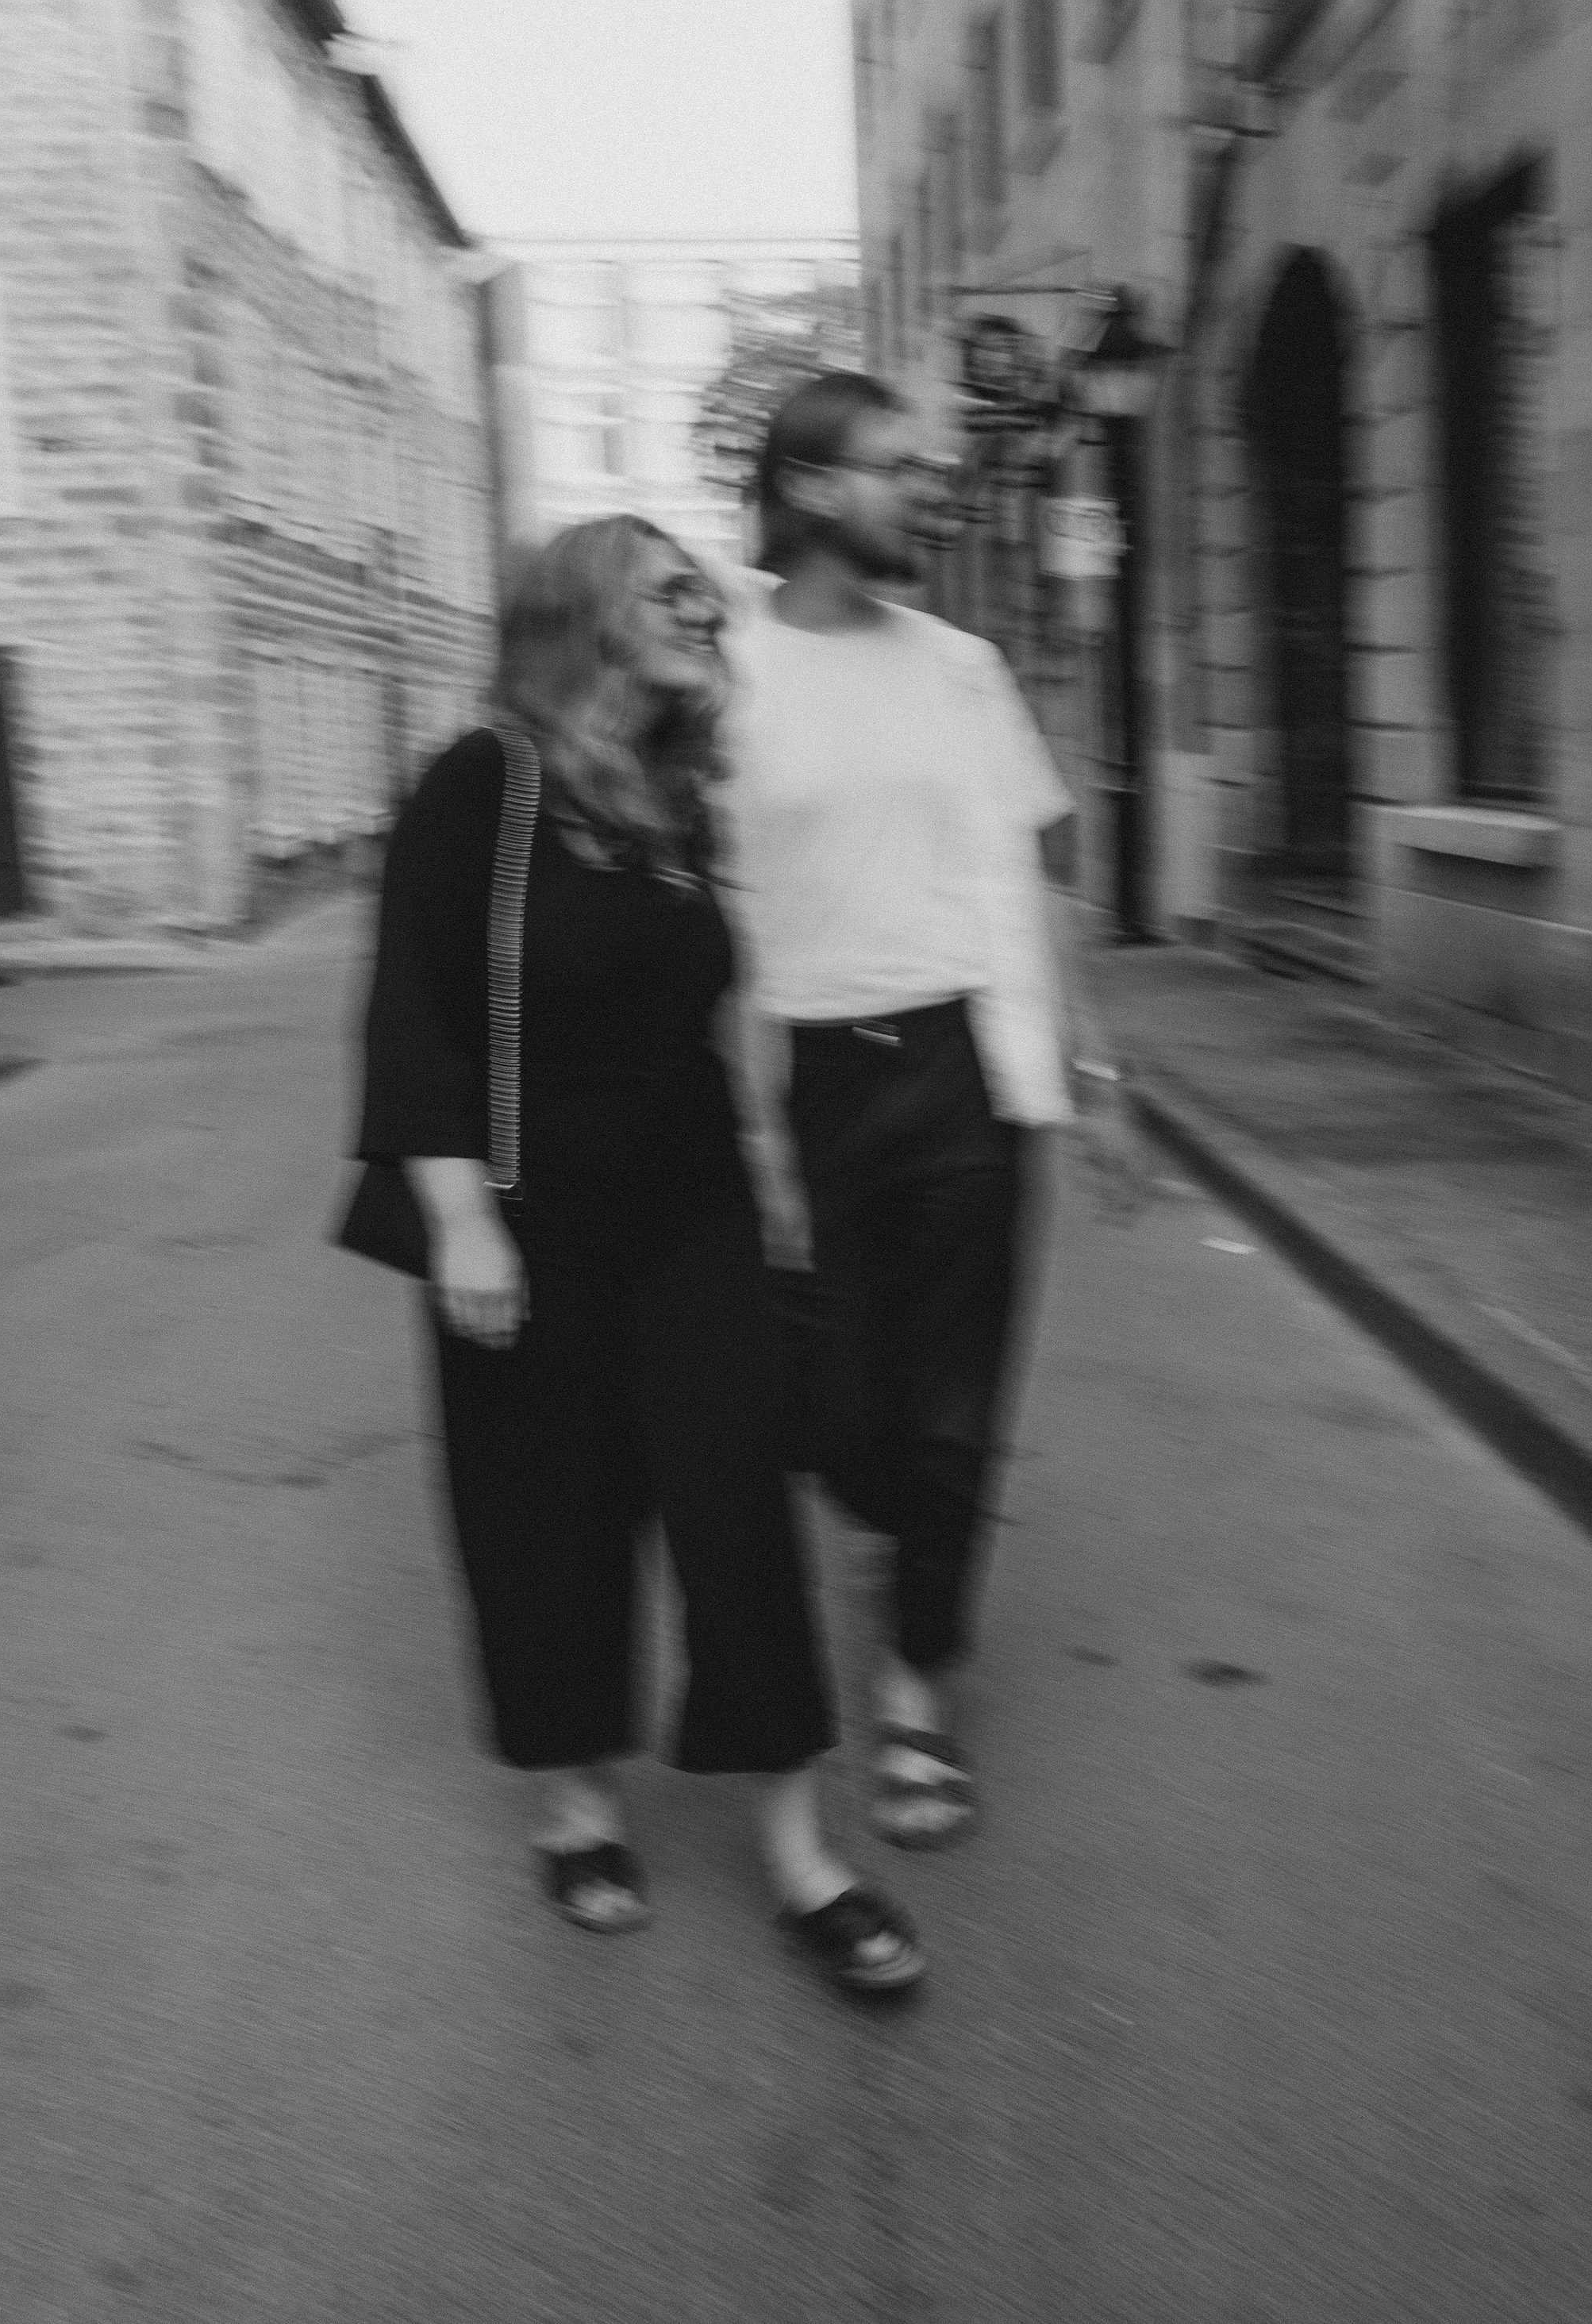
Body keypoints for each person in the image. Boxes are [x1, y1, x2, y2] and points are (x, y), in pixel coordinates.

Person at [354, 515, 922, 1995]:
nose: (704, 614)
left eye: (705, 599)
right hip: (526, 1218)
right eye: (671, 594)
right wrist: (462, 1219)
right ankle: (581, 1805)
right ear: (586, 616)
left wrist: (777, 1188)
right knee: (546, 1509)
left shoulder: (676, 797)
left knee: (739, 1510)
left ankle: (801, 1855)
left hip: (691, 1216)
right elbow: (413, 1012)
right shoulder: (481, 782)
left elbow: (714, 1023)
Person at [722, 372, 1146, 1850]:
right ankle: (891, 1527)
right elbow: (698, 910)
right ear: (813, 488)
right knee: (839, 1411)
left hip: (968, 1065)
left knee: (956, 1416)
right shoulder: (723, 673)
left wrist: (1097, 1075)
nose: (931, 485)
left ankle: (916, 1688)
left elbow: (1036, 879)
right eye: (898, 466)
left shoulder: (963, 669)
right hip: (809, 1077)